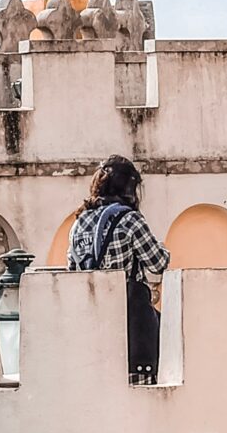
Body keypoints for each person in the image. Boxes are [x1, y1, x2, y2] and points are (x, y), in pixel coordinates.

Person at [66, 155, 172, 384]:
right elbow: (158, 263)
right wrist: (161, 247)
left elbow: (72, 271)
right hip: (131, 325)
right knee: (141, 399)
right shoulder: (129, 219)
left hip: (93, 326)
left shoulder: (78, 223)